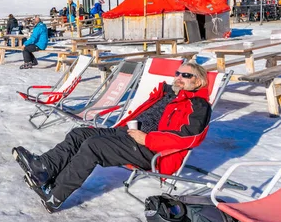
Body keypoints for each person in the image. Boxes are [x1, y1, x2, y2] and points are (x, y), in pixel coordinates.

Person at [12, 62, 211, 213]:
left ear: (198, 81)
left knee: (93, 146)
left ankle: (55, 195)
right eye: (178, 73)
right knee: (80, 133)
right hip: (127, 133)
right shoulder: (167, 94)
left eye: (186, 75)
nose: (179, 77)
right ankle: (43, 169)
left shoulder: (199, 106)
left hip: (150, 150)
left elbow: (189, 138)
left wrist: (147, 139)